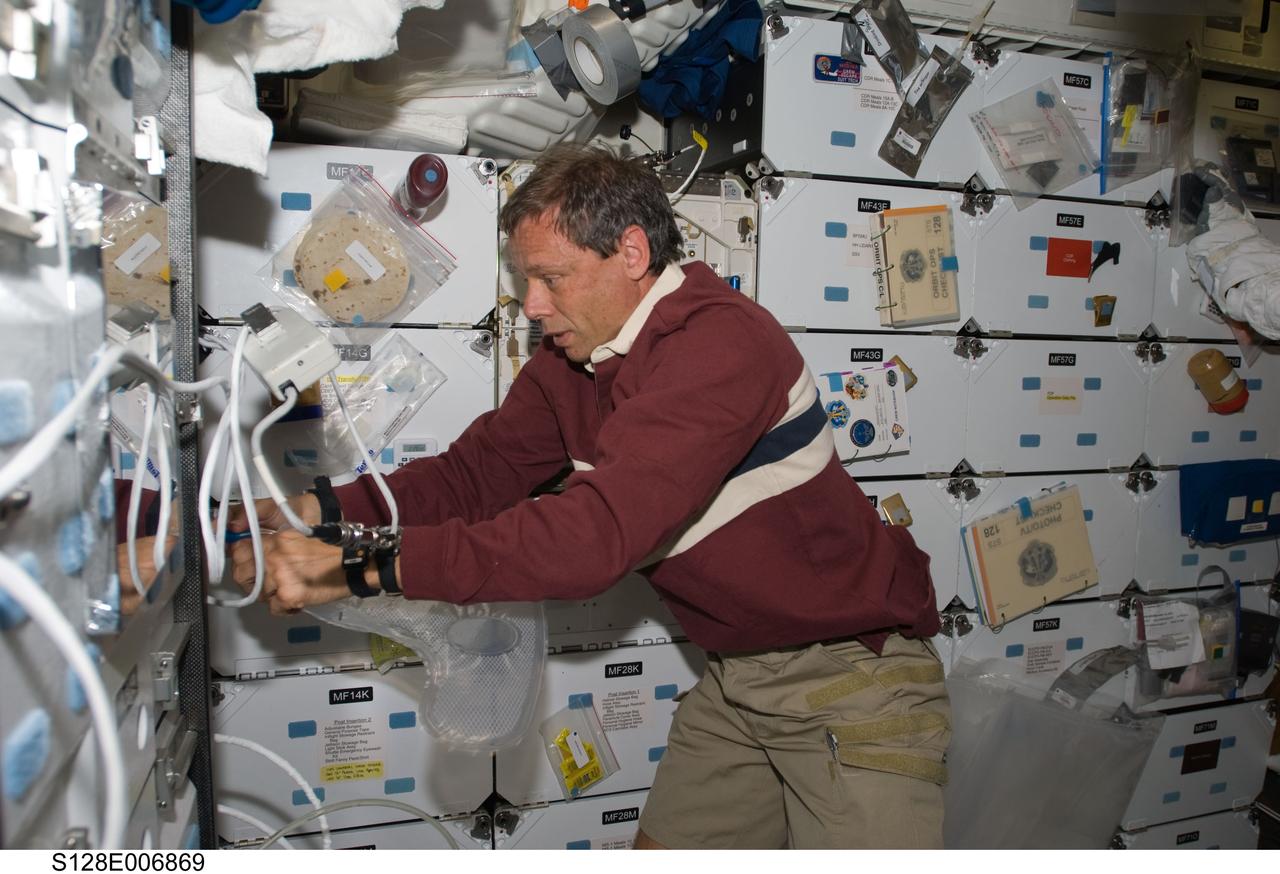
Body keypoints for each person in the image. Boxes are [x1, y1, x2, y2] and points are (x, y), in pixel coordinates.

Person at [229, 144, 950, 849]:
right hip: (739, 678)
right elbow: (470, 478)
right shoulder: (571, 363)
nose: (533, 306)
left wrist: (356, 562)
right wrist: (310, 513)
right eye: (525, 283)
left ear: (631, 254)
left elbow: (592, 538)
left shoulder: (720, 346)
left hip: (853, 678)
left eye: (552, 278)